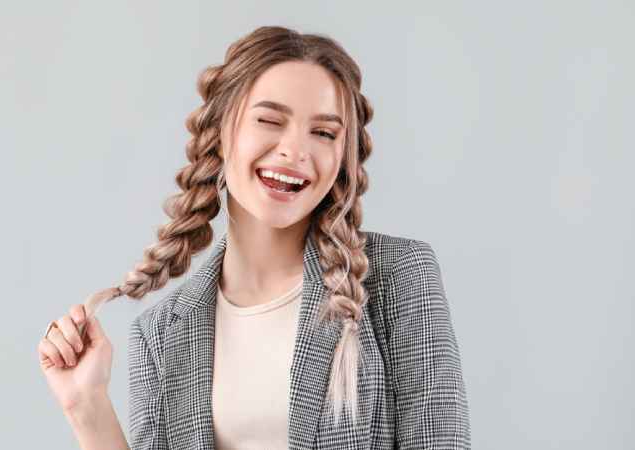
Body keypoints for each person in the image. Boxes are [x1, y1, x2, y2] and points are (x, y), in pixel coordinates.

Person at [37, 25, 471, 449]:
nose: (295, 151)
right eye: (269, 120)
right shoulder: (162, 332)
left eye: (323, 133)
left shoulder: (397, 276)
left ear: (343, 157)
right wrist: (86, 406)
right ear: (220, 134)